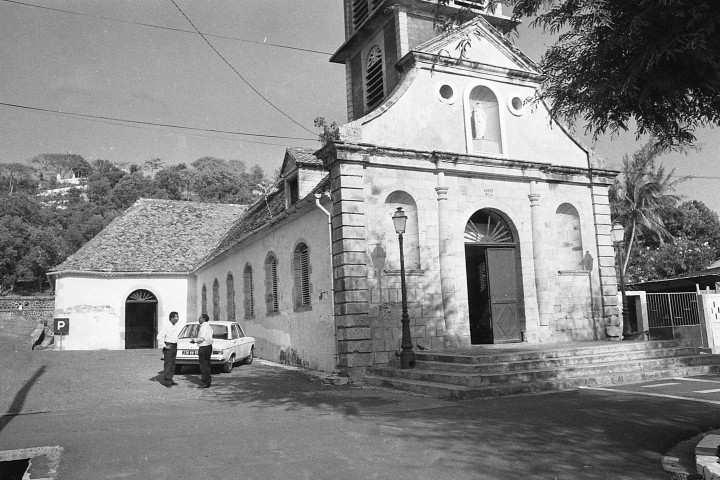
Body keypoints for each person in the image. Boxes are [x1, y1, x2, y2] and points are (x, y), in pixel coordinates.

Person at [157, 311, 181, 388]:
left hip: (174, 345)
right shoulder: (166, 326)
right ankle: (167, 380)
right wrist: (164, 346)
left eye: (178, 317)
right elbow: (159, 336)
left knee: (173, 363)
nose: (177, 318)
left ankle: (170, 378)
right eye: (176, 317)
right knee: (168, 363)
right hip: (169, 345)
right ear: (171, 318)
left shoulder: (175, 326)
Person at [191, 313, 213, 389]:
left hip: (204, 347)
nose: (198, 319)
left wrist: (194, 340)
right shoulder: (209, 327)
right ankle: (208, 381)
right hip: (209, 346)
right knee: (207, 364)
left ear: (203, 319)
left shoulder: (203, 327)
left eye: (200, 318)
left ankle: (204, 382)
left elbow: (202, 338)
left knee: (203, 365)